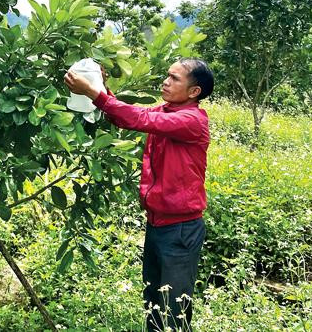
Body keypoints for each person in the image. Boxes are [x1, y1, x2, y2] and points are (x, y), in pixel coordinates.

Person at [64, 58, 214, 331]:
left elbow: (139, 119)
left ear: (195, 92)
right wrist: (102, 88)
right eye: (167, 75)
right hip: (158, 224)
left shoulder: (191, 120)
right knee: (155, 302)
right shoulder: (167, 112)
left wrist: (94, 93)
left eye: (175, 78)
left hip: (180, 229)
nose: (166, 82)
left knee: (174, 309)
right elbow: (129, 114)